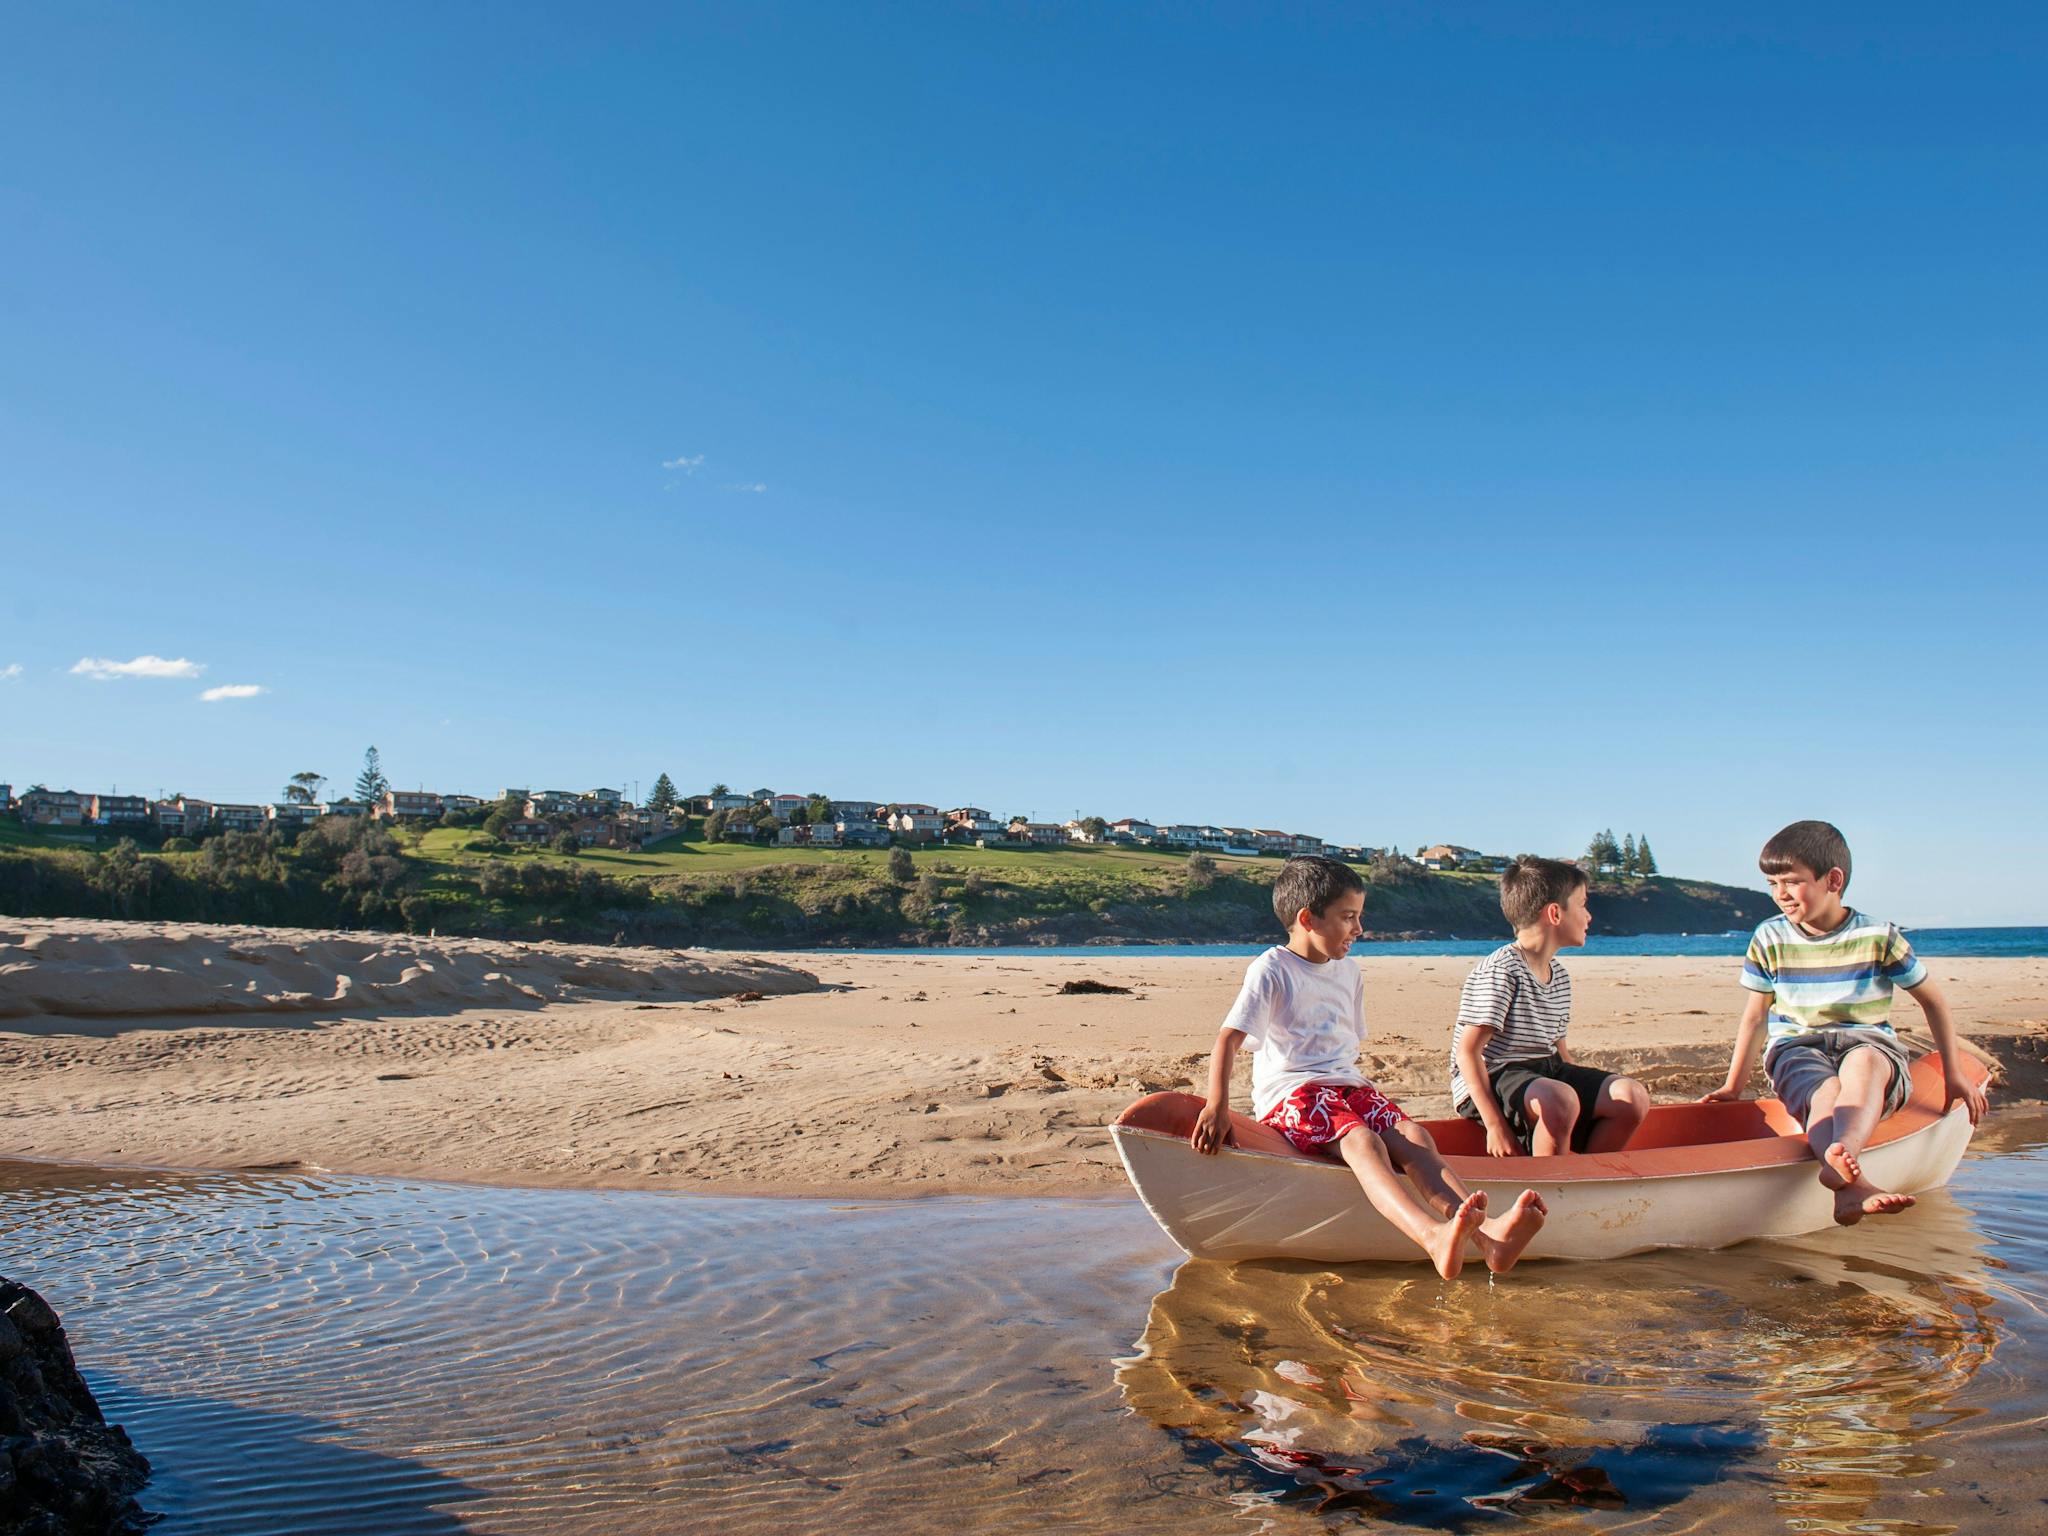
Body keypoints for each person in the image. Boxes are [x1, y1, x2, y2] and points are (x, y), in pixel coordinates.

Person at [1190, 855, 1547, 1279]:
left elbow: (1342, 1050)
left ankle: (1490, 1239)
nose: (1359, 929)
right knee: (1363, 1142)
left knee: (1414, 1136)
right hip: (1293, 1093)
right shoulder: (1273, 968)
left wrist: (1360, 1100)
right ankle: (1431, 1235)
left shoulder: (1349, 971)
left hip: (1346, 1086)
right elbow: (1228, 1039)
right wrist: (1217, 1105)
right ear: (1308, 918)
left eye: (1359, 916)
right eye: (1348, 917)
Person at [1701, 819, 1987, 1224]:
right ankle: (1851, 1182)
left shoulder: (1877, 936)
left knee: (1864, 1063)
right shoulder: (1769, 937)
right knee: (1824, 1091)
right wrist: (1733, 1086)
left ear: (1832, 879)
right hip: (1795, 1046)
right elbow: (1755, 1017)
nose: (1780, 894)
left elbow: (1934, 1002)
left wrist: (1954, 1073)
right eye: (1772, 884)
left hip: (1868, 1043)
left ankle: (1841, 1160)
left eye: (1791, 881)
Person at [1450, 856, 1651, 1156]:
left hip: (1545, 1071)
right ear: (1555, 913)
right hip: (1494, 1076)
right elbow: (1468, 1052)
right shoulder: (1502, 970)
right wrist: (1495, 1126)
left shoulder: (1560, 977)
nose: (1589, 916)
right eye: (1582, 904)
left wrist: (1586, 1092)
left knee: (1632, 1097)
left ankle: (1586, 1175)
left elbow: (1559, 1051)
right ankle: (1550, 1189)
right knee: (1560, 1099)